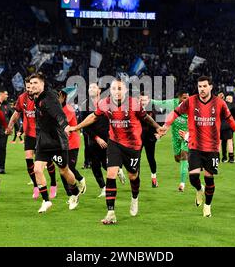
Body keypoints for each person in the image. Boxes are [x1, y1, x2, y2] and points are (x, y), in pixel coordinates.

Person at [68, 78, 163, 225]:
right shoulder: (104, 103)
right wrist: (76, 127)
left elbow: (146, 118)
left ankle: (134, 198)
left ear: (125, 90)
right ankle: (111, 213)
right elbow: (93, 117)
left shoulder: (134, 103)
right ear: (110, 90)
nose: (117, 92)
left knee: (133, 176)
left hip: (133, 145)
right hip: (115, 143)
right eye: (113, 89)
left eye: (120, 89)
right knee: (111, 174)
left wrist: (158, 127)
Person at [160, 76, 235, 218]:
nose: (202, 89)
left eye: (205, 86)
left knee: (209, 178)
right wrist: (166, 125)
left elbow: (230, 120)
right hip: (194, 146)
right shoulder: (191, 101)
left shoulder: (219, 103)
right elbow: (175, 113)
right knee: (193, 177)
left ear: (211, 87)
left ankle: (207, 206)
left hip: (212, 148)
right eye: (200, 86)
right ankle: (199, 190)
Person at [28, 73, 81, 214]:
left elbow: (59, 114)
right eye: (31, 83)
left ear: (42, 84)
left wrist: (65, 126)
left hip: (57, 141)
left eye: (35, 83)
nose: (32, 86)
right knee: (37, 169)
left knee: (64, 170)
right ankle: (46, 201)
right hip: (43, 141)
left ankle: (75, 192)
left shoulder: (49, 98)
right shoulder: (36, 97)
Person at [8, 76, 58, 199]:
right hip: (29, 134)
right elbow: (17, 113)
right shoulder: (22, 98)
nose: (30, 89)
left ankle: (53, 184)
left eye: (32, 86)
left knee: (48, 162)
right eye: (28, 87)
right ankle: (36, 186)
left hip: (42, 134)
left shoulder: (43, 98)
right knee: (29, 160)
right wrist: (10, 126)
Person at [80, 82, 126, 198]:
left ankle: (118, 170)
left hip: (108, 139)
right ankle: (103, 188)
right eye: (89, 87)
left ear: (99, 90)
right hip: (93, 140)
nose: (91, 89)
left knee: (107, 164)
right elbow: (84, 125)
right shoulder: (85, 106)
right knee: (95, 166)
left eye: (93, 87)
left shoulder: (107, 104)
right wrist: (96, 138)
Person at [150, 91, 189, 191]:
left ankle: (182, 183)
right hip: (175, 136)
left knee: (184, 156)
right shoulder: (172, 103)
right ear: (179, 97)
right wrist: (147, 99)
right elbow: (159, 103)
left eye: (187, 97)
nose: (186, 100)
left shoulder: (192, 106)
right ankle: (188, 165)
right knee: (177, 158)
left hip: (187, 136)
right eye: (184, 98)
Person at [58, 87, 86, 199]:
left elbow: (63, 123)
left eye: (59, 96)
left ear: (64, 97)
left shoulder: (69, 109)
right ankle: (70, 194)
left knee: (69, 168)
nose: (57, 98)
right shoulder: (59, 108)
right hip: (61, 143)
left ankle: (80, 179)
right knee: (62, 169)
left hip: (72, 143)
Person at [139, 93, 159, 188]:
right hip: (138, 138)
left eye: (145, 100)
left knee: (150, 158)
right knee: (136, 158)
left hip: (150, 139)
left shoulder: (154, 109)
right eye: (141, 100)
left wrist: (159, 134)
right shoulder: (136, 110)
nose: (143, 102)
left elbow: (161, 121)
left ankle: (154, 177)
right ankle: (136, 180)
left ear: (149, 100)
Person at [0, 89, 12, 174]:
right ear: (1, 95)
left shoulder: (7, 106)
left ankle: (1, 167)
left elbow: (13, 117)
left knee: (2, 148)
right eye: (6, 94)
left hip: (4, 132)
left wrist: (15, 129)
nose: (7, 96)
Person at [220, 94, 235, 163]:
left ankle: (221, 158)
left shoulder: (220, 104)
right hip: (228, 125)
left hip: (219, 125)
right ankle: (231, 158)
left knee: (220, 141)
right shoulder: (233, 106)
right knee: (229, 140)